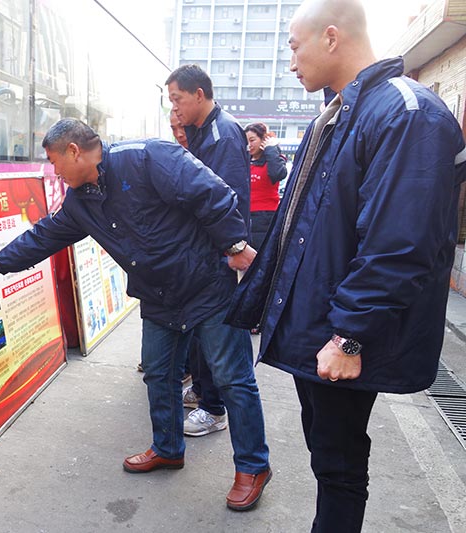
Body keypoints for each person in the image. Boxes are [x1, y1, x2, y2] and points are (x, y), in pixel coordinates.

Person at [226, 0, 466, 530]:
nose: (291, 62)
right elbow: (308, 224)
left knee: (339, 465)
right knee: (328, 454)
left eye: (294, 47)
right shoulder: (340, 115)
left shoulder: (405, 112)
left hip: (341, 331)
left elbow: (400, 244)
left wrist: (349, 337)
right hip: (321, 323)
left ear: (331, 37)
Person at [0, 118, 271, 511]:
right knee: (159, 374)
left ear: (74, 151)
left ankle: (253, 467)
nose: (55, 172)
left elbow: (212, 193)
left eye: (55, 162)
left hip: (207, 286)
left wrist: (234, 244)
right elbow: (45, 235)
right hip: (158, 296)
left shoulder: (147, 157)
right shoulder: (80, 202)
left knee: (232, 379)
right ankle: (168, 448)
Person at [166, 64, 251, 439]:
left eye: (178, 99)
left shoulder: (222, 135)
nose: (175, 108)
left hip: (217, 255)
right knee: (201, 335)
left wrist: (230, 248)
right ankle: (203, 392)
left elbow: (227, 201)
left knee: (215, 338)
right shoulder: (203, 132)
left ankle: (214, 409)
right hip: (202, 252)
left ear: (199, 94)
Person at [243, 122, 287, 250]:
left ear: (263, 139)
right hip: (245, 215)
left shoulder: (273, 159)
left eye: (252, 140)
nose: (249, 145)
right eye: (247, 141)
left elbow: (277, 174)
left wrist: (271, 149)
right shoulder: (245, 161)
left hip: (266, 217)